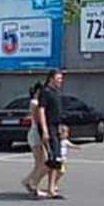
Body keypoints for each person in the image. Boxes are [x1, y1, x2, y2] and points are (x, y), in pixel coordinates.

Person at [37, 69, 64, 199]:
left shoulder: (55, 92)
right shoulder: (45, 92)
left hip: (56, 128)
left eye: (61, 79)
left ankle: (51, 188)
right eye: (58, 79)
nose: (61, 81)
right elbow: (41, 111)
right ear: (51, 79)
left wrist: (60, 127)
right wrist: (45, 130)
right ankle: (32, 181)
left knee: (57, 159)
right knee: (53, 159)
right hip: (49, 128)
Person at [21, 82, 48, 197]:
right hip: (36, 133)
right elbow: (38, 118)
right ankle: (33, 184)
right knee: (42, 163)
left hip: (35, 132)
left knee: (41, 162)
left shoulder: (35, 102)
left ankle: (29, 181)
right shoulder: (35, 102)